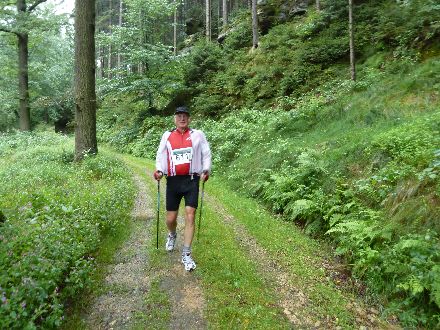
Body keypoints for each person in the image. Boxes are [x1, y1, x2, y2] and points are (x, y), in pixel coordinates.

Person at [153, 106, 211, 271]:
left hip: (191, 180)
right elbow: (160, 155)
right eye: (179, 116)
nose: (182, 119)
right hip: (173, 181)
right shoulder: (167, 136)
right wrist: (159, 171)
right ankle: (172, 234)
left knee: (190, 215)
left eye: (185, 116)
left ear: (189, 119)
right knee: (170, 219)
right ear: (175, 119)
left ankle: (186, 254)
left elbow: (206, 154)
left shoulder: (198, 135)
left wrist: (206, 170)